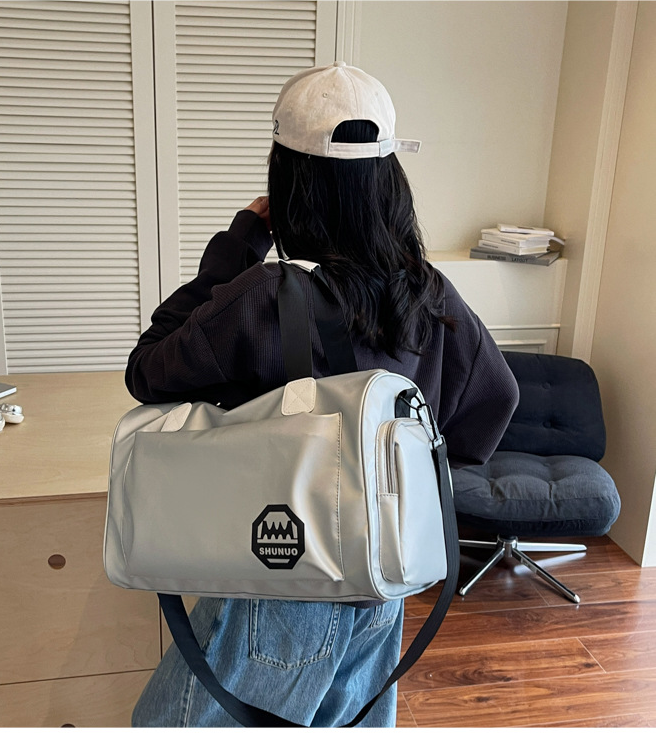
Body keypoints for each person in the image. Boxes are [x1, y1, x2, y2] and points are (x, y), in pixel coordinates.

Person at [126, 61, 519, 727]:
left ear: (289, 180)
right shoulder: (427, 293)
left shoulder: (264, 297)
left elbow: (148, 369)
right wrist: (402, 480)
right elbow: (497, 396)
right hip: (383, 574)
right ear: (389, 180)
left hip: (282, 572)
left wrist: (236, 248)